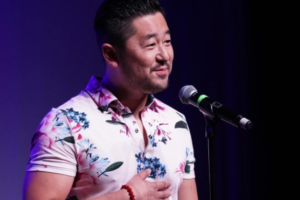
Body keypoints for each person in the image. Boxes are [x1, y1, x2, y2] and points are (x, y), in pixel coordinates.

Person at [23, 0, 198, 199]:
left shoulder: (176, 122)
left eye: (167, 42)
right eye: (150, 45)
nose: (165, 55)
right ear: (111, 54)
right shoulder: (64, 124)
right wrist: (126, 196)